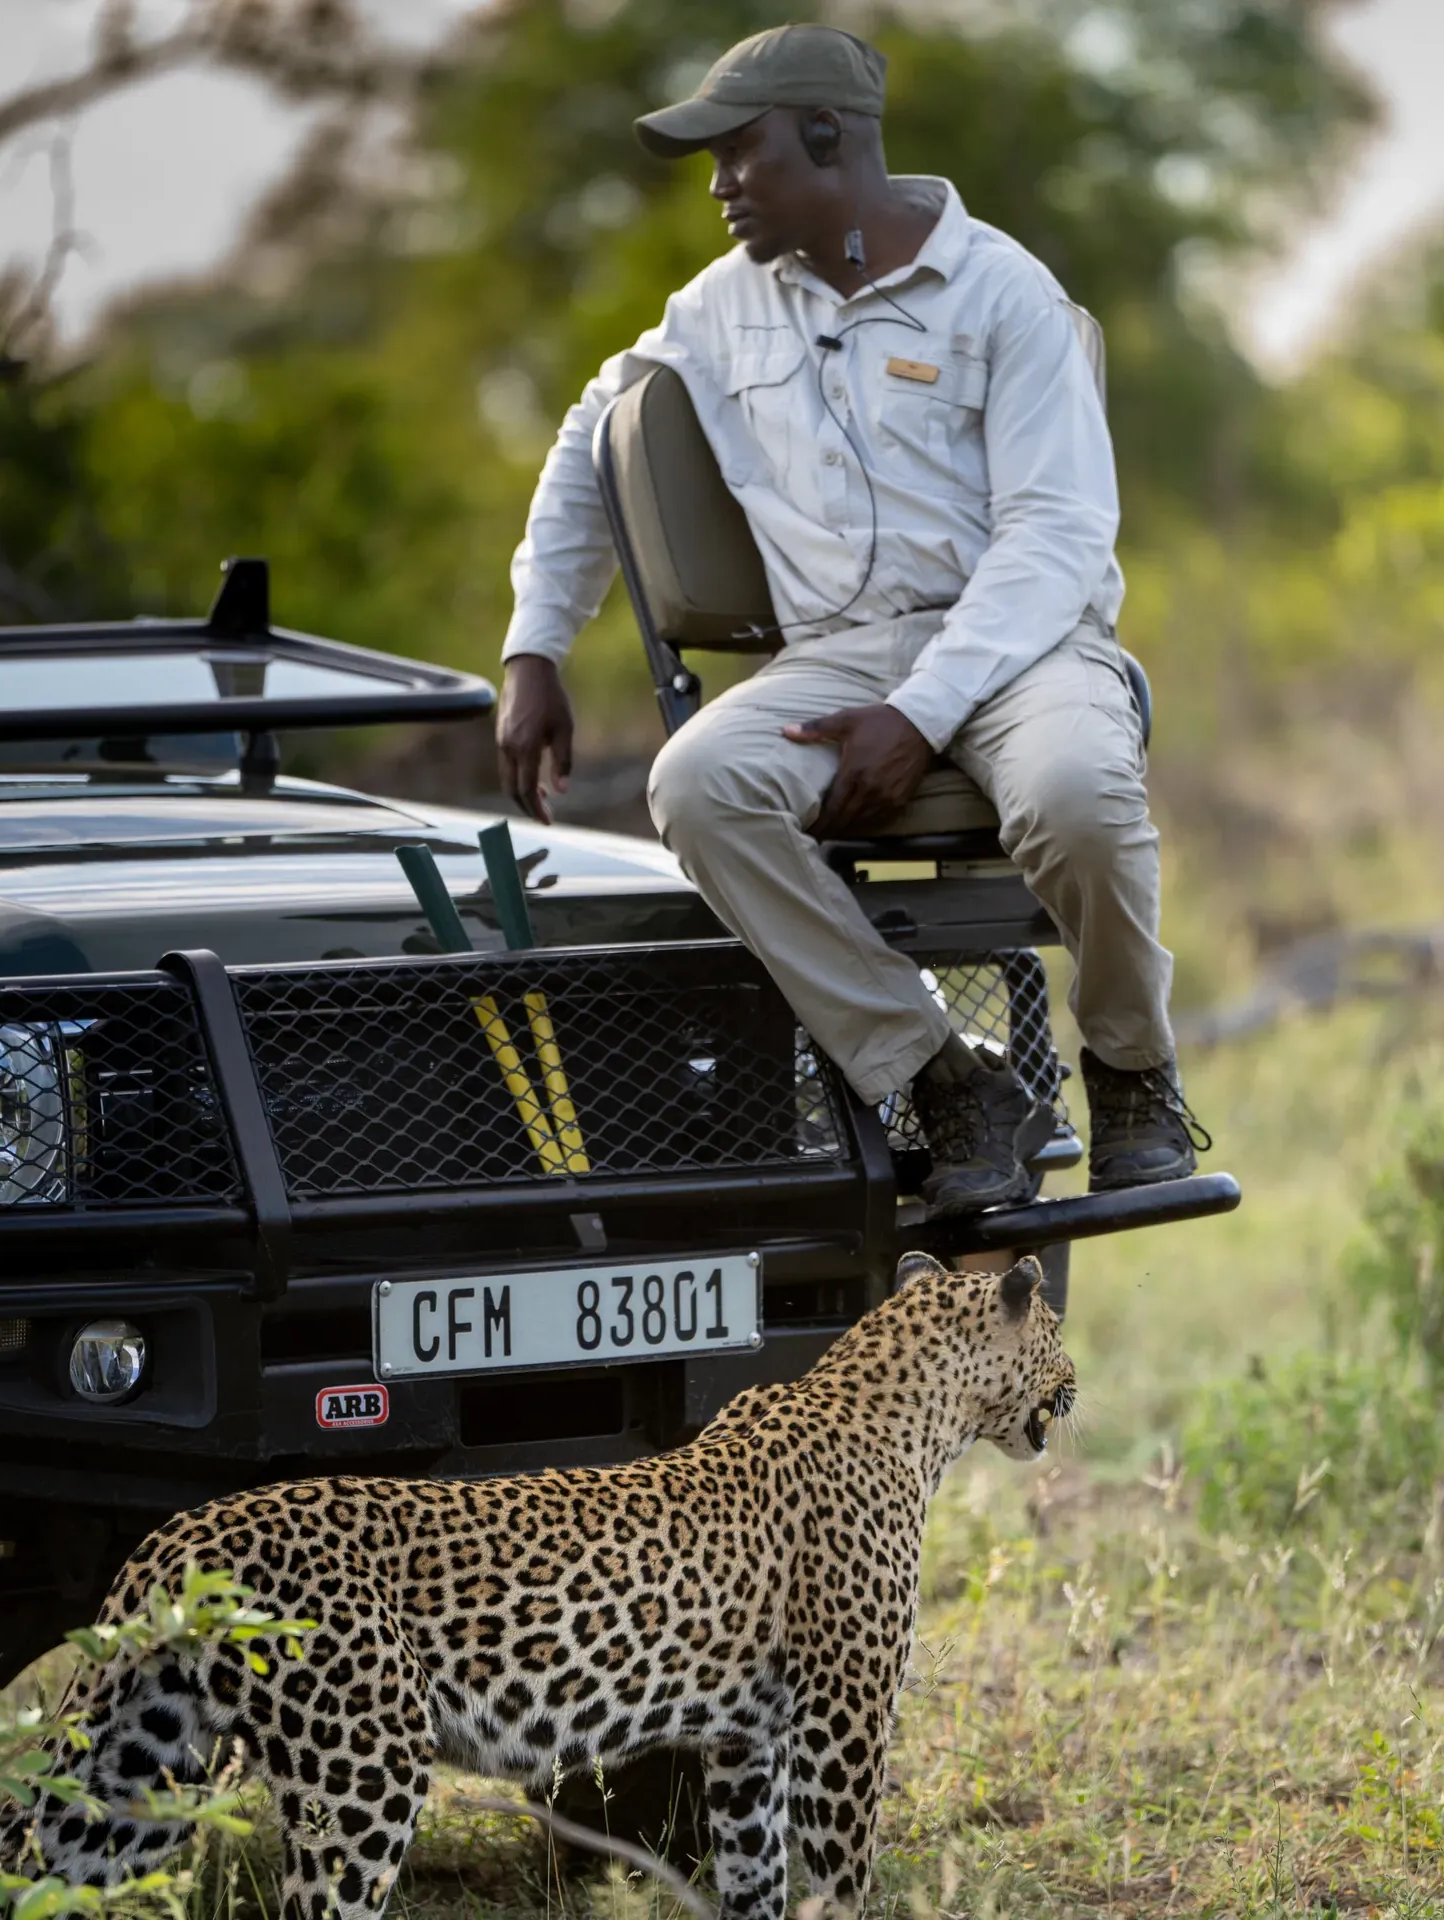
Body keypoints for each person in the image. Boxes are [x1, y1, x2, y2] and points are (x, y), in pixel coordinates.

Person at [495, 22, 1207, 1217]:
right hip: (836, 655)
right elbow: (590, 439)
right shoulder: (716, 309)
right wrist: (535, 644)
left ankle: (1133, 1069)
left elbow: (1054, 541)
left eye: (741, 155)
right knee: (698, 784)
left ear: (829, 138)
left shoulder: (1003, 293)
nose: (719, 188)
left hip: (1024, 645)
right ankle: (942, 1078)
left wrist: (919, 717)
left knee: (1079, 797)